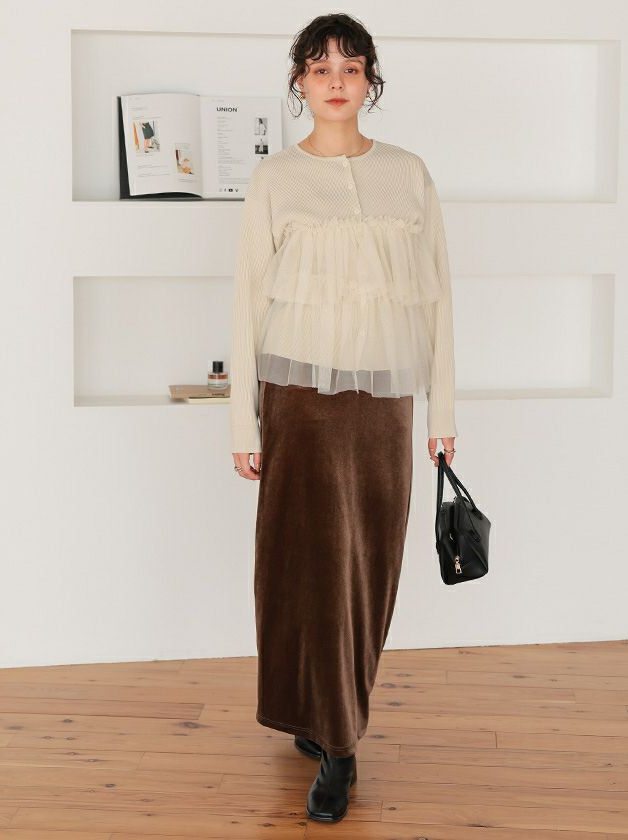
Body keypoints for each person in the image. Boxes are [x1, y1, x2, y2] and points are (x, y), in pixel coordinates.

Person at [230, 12, 458, 824]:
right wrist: (243, 423)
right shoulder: (276, 180)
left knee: (366, 567)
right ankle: (335, 738)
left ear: (370, 81)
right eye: (320, 66)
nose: (335, 80)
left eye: (351, 67)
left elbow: (438, 299)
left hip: (384, 404)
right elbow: (247, 302)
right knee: (302, 565)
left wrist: (443, 410)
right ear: (299, 81)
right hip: (297, 402)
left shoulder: (409, 174)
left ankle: (335, 717)